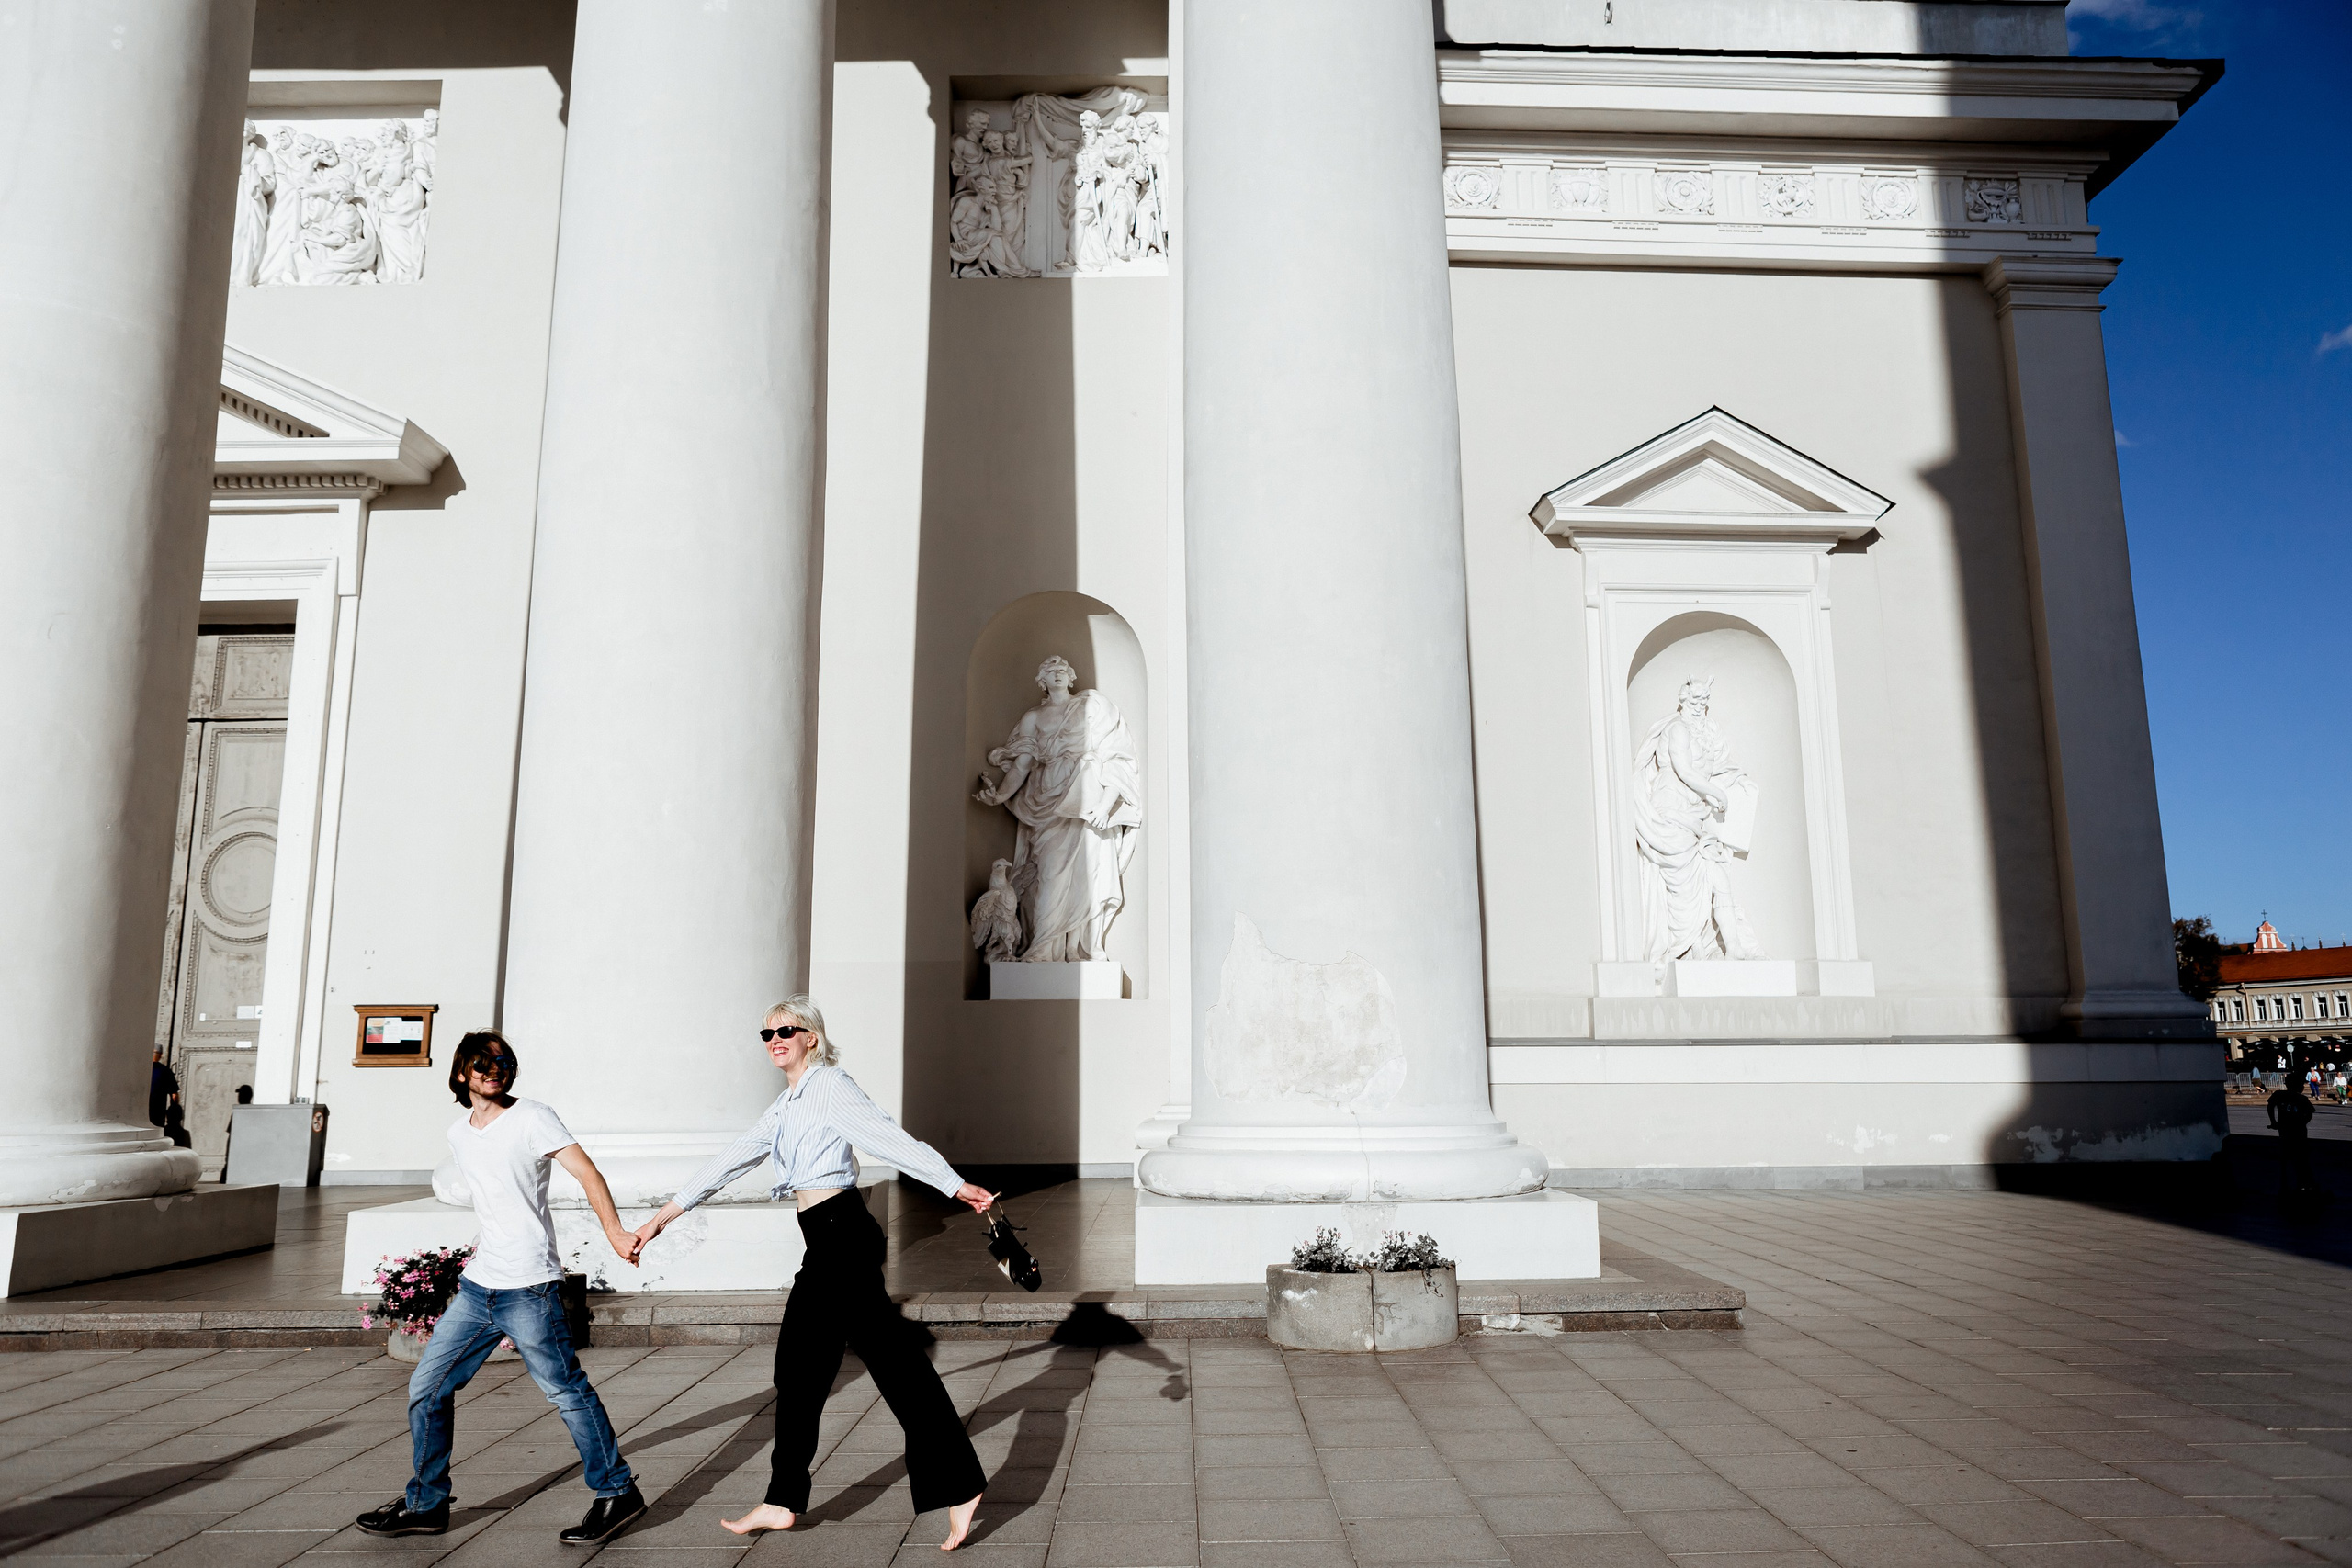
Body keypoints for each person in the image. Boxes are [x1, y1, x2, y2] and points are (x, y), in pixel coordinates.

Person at [630, 998, 995, 1551]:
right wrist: (660, 1219)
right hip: (824, 1239)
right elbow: (732, 1158)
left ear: (812, 1038)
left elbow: (886, 1136)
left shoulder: (830, 1086)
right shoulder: (789, 1101)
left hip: (842, 1235)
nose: (774, 1039)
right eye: (767, 1033)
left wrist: (952, 1183)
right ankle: (782, 1500)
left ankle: (960, 1486)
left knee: (892, 1365)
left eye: (786, 1030)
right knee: (800, 1370)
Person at [357, 1032, 649, 1543]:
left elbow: (588, 1174)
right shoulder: (459, 1132)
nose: (494, 1069)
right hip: (478, 1287)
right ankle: (426, 1504)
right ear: (461, 1073)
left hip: (529, 1288)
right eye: (482, 1062)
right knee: (427, 1389)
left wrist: (615, 1232)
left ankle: (617, 1491)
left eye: (504, 1061)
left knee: (566, 1392)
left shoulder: (534, 1117)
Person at [2267, 1065, 2319, 1201]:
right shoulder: (2301, 1099)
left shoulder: (2279, 1095)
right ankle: (2305, 1185)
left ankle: (2286, 1185)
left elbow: (2270, 1105)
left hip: (2285, 1132)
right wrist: (2303, 1122)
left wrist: (2273, 1121)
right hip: (2299, 1132)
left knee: (2286, 1159)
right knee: (2301, 1159)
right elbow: (2310, 1113)